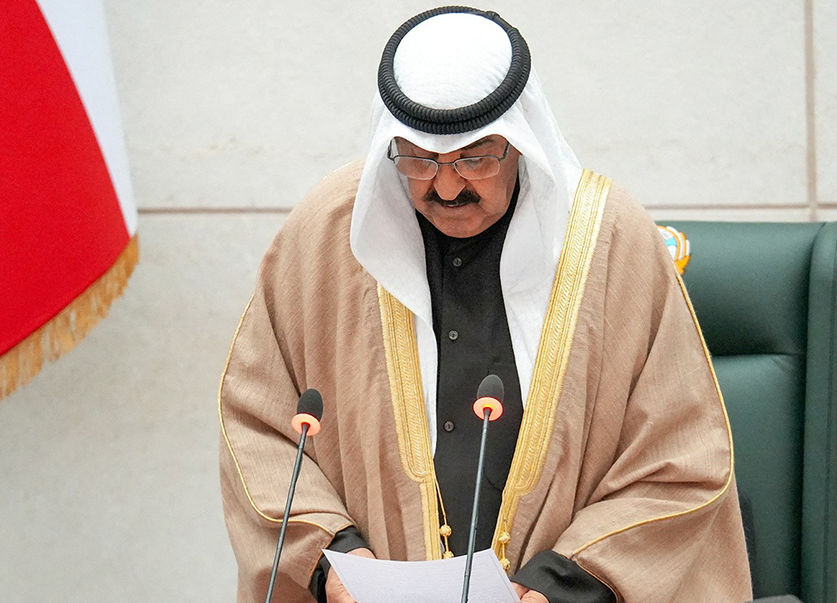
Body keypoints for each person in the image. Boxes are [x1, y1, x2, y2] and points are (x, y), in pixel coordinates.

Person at [219, 6, 752, 603]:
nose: (446, 187)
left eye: (474, 158)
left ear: (521, 141)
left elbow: (680, 461)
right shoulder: (326, 236)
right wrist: (330, 558)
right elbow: (257, 424)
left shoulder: (611, 242)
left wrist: (566, 585)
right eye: (419, 159)